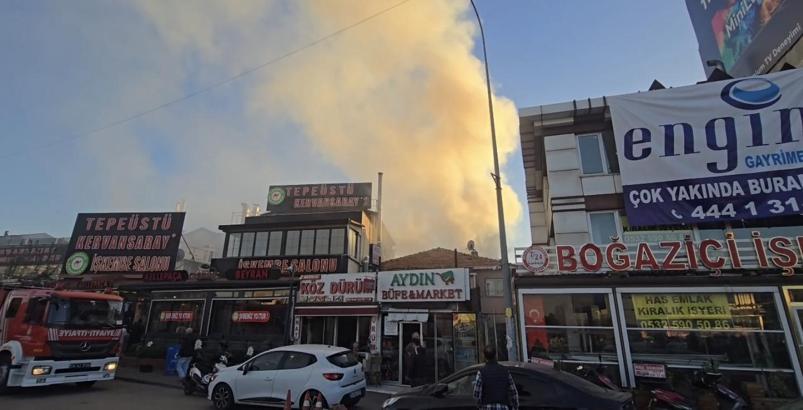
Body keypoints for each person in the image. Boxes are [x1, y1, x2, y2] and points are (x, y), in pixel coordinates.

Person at [473, 346, 519, 410]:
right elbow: (513, 392)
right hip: (503, 406)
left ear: (485, 356)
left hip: (486, 406)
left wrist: (479, 406)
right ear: (495, 355)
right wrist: (515, 407)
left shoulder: (481, 372)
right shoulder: (505, 371)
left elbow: (476, 394)